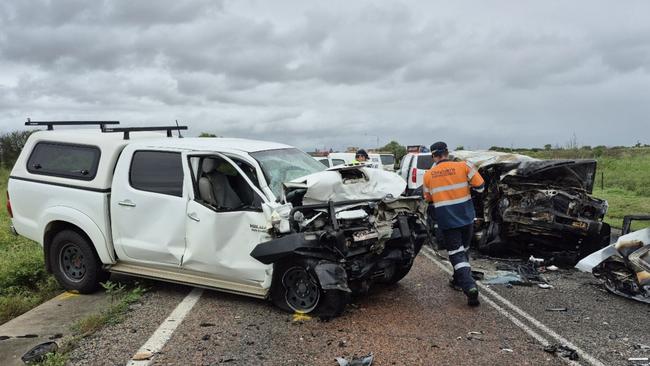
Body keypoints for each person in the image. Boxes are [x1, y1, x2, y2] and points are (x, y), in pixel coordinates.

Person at [423, 141, 485, 306]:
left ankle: (469, 286)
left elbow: (428, 198)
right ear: (447, 152)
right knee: (464, 250)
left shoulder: (429, 174)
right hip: (466, 217)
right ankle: (458, 280)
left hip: (447, 220)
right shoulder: (464, 166)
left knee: (456, 254)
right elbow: (481, 187)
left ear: (433, 156)